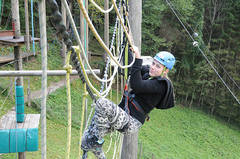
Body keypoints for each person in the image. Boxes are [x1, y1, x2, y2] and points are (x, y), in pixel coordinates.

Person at [81, 45, 176, 159]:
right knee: (87, 135)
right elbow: (133, 67)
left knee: (102, 103)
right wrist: (129, 48)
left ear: (165, 71)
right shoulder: (150, 74)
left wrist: (138, 57)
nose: (153, 67)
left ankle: (97, 143)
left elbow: (137, 85)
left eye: (158, 66)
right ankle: (97, 150)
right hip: (124, 113)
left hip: (130, 121)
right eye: (153, 63)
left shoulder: (161, 85)